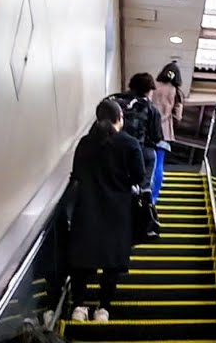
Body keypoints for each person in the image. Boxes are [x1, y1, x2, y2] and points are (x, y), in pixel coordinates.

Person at [66, 97, 145, 322]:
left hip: (87, 208)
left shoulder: (84, 143)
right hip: (118, 211)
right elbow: (139, 176)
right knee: (111, 263)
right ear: (119, 118)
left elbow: (77, 174)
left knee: (83, 259)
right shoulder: (129, 143)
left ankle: (79, 307)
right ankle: (103, 309)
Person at [111, 73, 163, 200]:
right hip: (137, 150)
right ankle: (145, 191)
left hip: (111, 147)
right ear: (148, 91)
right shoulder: (151, 108)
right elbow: (157, 136)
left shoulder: (115, 100)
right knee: (152, 156)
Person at [148, 62, 186, 201]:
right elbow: (178, 116)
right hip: (163, 132)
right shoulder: (177, 92)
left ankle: (139, 191)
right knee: (158, 164)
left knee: (143, 160)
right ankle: (153, 197)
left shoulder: (152, 86)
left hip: (146, 130)